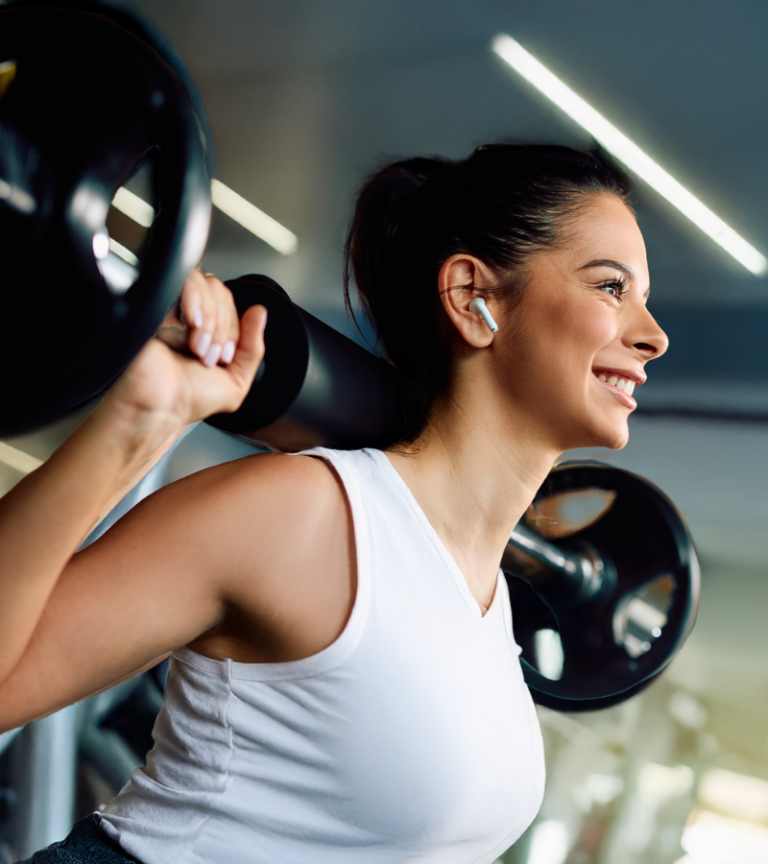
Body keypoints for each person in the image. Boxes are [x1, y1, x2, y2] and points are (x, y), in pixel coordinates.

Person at [0, 143, 668, 864]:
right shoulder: (306, 514)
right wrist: (141, 418)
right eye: (611, 288)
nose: (653, 336)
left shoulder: (486, 602)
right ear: (474, 298)